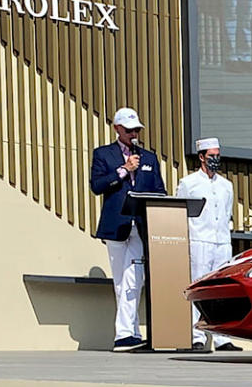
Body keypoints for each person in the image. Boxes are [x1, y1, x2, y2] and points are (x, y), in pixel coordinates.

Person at [89, 108, 166, 352]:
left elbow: (160, 191)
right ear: (116, 129)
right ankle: (129, 333)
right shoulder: (103, 154)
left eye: (136, 130)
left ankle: (124, 335)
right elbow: (98, 185)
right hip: (116, 225)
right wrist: (124, 170)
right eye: (128, 130)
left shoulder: (149, 158)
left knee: (135, 278)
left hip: (141, 225)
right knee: (121, 282)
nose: (133, 134)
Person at [175, 138, 242, 352]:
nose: (215, 159)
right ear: (202, 157)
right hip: (199, 240)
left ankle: (222, 336)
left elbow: (227, 213)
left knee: (221, 289)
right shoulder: (189, 183)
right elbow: (180, 213)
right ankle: (198, 336)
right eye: (211, 155)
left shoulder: (226, 185)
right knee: (199, 288)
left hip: (221, 241)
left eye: (218, 155)